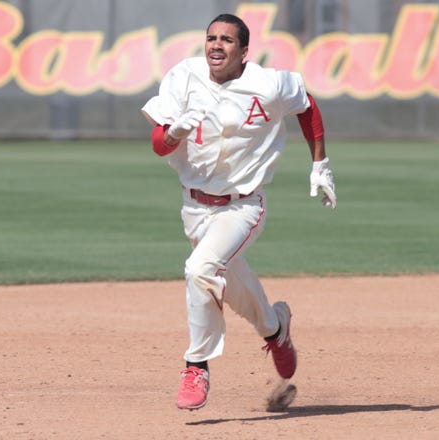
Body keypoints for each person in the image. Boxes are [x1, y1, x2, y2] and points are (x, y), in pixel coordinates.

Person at [141, 13, 336, 411]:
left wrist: (320, 163)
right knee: (225, 279)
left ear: (244, 51)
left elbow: (307, 104)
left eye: (227, 40)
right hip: (194, 205)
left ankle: (197, 364)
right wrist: (174, 131)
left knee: (200, 269)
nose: (216, 45)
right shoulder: (183, 77)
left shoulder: (268, 84)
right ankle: (274, 328)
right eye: (211, 38)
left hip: (243, 205)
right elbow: (160, 144)